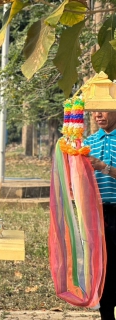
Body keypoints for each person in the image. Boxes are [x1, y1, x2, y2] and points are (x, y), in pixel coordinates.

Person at [85, 111, 116, 320]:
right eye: (94, 110)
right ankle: (106, 313)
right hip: (97, 213)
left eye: (103, 109)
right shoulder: (89, 142)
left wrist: (105, 168)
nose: (98, 114)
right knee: (102, 266)